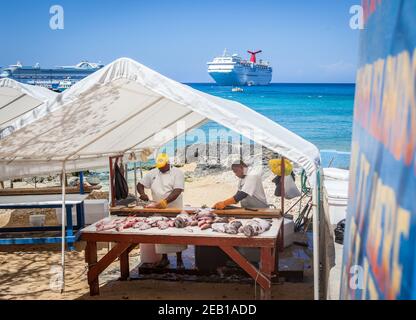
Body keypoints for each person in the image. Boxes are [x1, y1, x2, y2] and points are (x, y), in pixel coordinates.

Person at [136, 153, 187, 269]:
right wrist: (143, 194)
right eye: (159, 166)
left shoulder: (177, 173)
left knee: (176, 233)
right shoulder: (153, 172)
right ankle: (164, 258)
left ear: (168, 163)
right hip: (157, 209)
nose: (160, 168)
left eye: (163, 166)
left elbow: (177, 190)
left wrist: (164, 202)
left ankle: (179, 259)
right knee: (161, 233)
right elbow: (139, 184)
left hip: (174, 208)